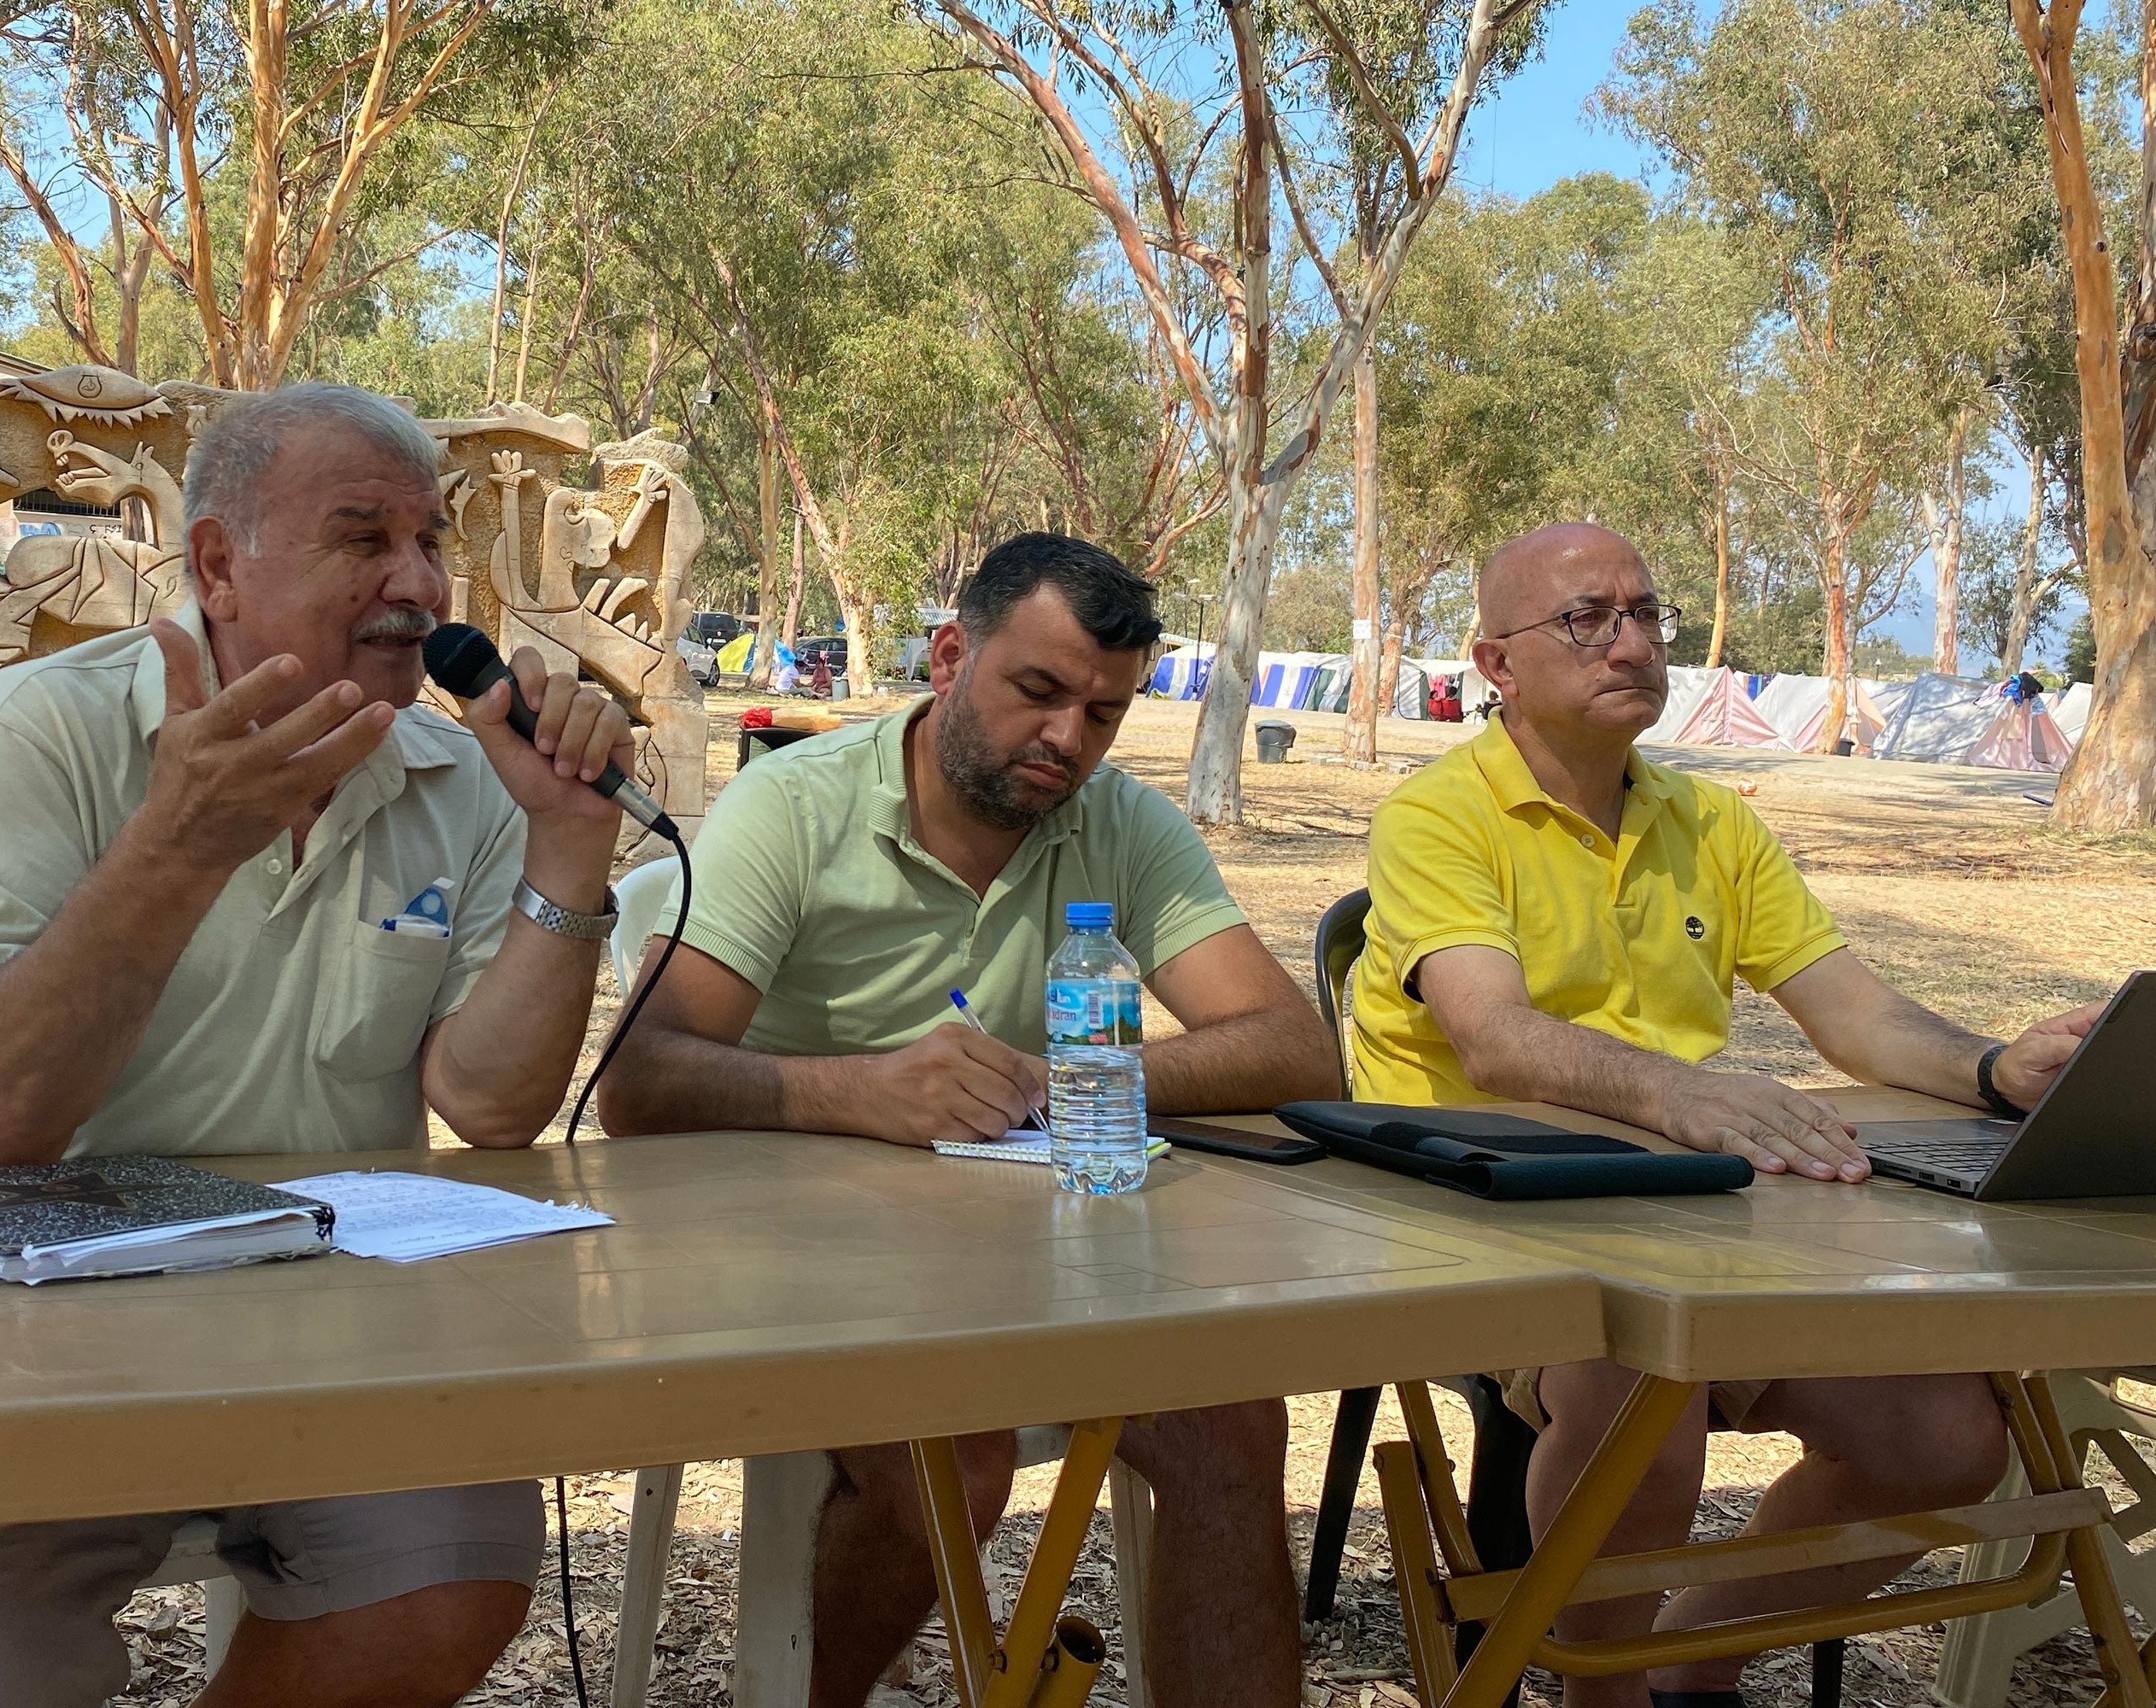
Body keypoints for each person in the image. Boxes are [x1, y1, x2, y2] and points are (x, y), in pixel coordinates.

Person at [0, 384, 640, 1708]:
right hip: (12, 1328)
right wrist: (181, 840)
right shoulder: (36, 733)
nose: (419, 583)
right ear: (217, 563)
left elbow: (490, 1108)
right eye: (363, 537)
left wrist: (566, 847)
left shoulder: (460, 777)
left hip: (331, 1321)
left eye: (433, 540)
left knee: (457, 1581)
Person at [1350, 522, 2107, 1708]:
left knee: (1950, 1441)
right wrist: (1681, 1089)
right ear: (1495, 666)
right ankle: (1604, 1693)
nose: (1632, 643)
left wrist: (1996, 1067)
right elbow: (1490, 1039)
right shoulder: (1438, 817)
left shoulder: (1712, 821)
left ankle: (1697, 1664)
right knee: (1636, 1386)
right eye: (1586, 619)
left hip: (1701, 1216)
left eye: (1645, 614)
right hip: (1481, 1211)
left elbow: (1852, 1016)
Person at [600, 532, 1339, 1707]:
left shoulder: (1122, 825)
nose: (1066, 741)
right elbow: (638, 1083)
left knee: (1232, 1421)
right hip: (785, 1243)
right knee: (953, 1447)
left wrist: (1063, 1076)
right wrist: (856, 1090)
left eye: (1103, 714)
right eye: (1036, 692)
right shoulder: (793, 808)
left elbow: (1296, 1051)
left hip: (1023, 1250)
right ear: (950, 657)